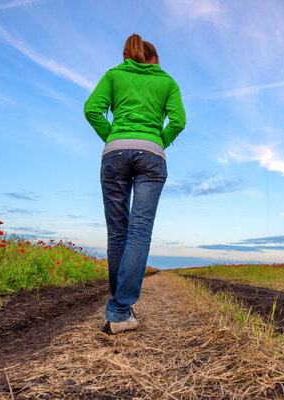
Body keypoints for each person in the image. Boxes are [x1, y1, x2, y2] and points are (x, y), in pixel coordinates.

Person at [84, 34, 186, 335]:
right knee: (139, 230)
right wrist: (158, 141)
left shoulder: (113, 75)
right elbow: (178, 121)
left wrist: (113, 137)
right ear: (152, 58)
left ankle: (120, 310)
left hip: (114, 152)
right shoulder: (166, 81)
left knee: (117, 231)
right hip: (152, 155)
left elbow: (92, 109)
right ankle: (119, 311)